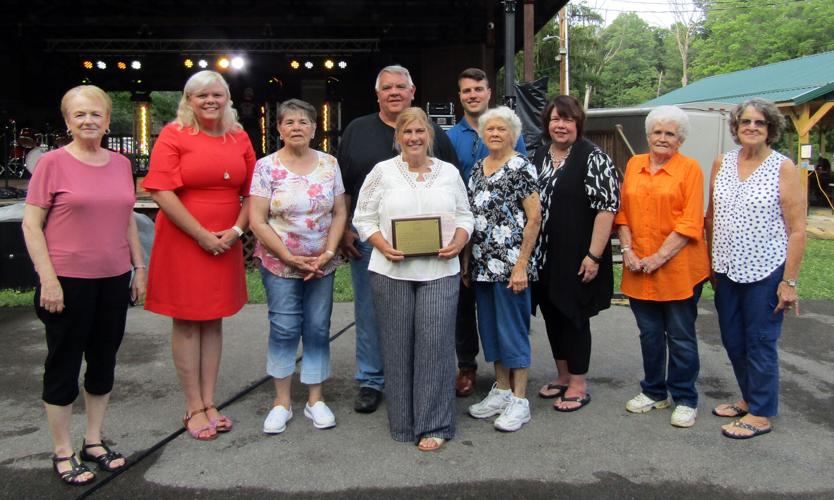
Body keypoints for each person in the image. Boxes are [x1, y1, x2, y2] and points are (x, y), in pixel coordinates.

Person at [22, 85, 146, 485]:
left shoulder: (121, 163)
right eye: (80, 115)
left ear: (108, 120)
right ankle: (62, 450)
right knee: (63, 364)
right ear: (68, 121)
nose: (89, 120)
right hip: (67, 282)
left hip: (112, 279)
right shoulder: (52, 164)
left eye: (96, 114)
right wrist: (48, 280)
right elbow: (31, 225)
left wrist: (138, 267)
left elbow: (127, 218)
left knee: (104, 361)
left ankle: (93, 441)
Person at [338, 65, 459, 414]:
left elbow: (453, 188)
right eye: (387, 87)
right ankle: (371, 380)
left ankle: (415, 380)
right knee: (370, 312)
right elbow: (345, 187)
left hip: (430, 247)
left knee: (425, 317)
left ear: (412, 91)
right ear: (377, 94)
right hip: (372, 240)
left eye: (400, 87)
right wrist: (348, 228)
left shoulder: (434, 132)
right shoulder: (357, 130)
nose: (394, 92)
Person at [143, 70, 256, 440]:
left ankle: (210, 401)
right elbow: (160, 191)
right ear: (188, 101)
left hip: (226, 238)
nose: (210, 101)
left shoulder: (238, 136)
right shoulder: (174, 135)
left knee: (214, 319)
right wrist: (202, 235)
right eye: (201, 95)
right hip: (184, 239)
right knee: (189, 321)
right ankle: (193, 405)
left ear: (227, 99)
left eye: (217, 95)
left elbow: (253, 191)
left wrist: (237, 231)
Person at [353, 107, 473, 450]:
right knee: (397, 344)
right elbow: (363, 218)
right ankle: (404, 421)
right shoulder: (382, 172)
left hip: (440, 269)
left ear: (429, 135)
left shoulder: (449, 173)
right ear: (398, 136)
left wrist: (458, 241)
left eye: (420, 131)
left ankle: (434, 423)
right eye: (408, 132)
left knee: (435, 344)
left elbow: (466, 215)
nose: (414, 138)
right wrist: (382, 245)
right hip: (391, 269)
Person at [706, 98, 806, 439]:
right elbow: (711, 217)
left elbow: (797, 229)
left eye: (759, 123)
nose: (751, 127)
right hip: (725, 269)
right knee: (733, 340)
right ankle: (750, 398)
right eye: (745, 122)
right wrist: (710, 263)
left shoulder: (784, 167)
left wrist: (788, 282)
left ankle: (762, 413)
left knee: (760, 341)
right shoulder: (722, 162)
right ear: (735, 128)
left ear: (770, 129)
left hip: (766, 270)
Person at [249, 99, 347, 434]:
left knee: (318, 328)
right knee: (285, 328)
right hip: (280, 263)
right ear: (278, 128)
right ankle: (282, 402)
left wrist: (329, 251)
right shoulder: (266, 167)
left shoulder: (329, 164)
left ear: (314, 128)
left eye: (303, 122)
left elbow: (339, 213)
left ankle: (315, 400)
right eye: (289, 122)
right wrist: (289, 256)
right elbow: (257, 220)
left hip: (322, 262)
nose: (296, 127)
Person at [615, 105, 709, 428]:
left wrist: (656, 258)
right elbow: (622, 213)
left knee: (680, 336)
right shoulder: (634, 164)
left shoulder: (690, 169)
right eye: (658, 132)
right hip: (638, 267)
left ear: (680, 139)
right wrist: (627, 250)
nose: (663, 138)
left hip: (678, 269)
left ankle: (685, 397)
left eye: (670, 133)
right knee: (650, 334)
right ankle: (654, 391)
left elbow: (689, 222)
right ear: (648, 135)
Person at [531, 95, 620, 412]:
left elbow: (606, 209)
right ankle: (563, 375)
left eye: (567, 119)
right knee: (553, 314)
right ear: (548, 123)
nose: (561, 125)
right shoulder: (540, 156)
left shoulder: (593, 157)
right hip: (544, 257)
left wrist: (594, 256)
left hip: (580, 256)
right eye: (555, 119)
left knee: (574, 316)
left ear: (577, 123)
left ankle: (579, 384)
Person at [445, 67, 528, 397]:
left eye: (478, 89)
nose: (472, 95)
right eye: (466, 91)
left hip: (503, 241)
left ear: (488, 92)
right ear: (460, 96)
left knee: (503, 314)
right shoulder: (450, 137)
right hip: (464, 236)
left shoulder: (510, 131)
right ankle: (467, 366)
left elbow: (523, 188)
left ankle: (509, 383)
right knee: (464, 308)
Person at [465, 106, 541, 432]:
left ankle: (520, 400)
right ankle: (502, 390)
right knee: (491, 331)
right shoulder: (478, 168)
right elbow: (471, 217)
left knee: (513, 331)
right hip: (482, 264)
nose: (495, 134)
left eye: (502, 129)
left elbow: (534, 218)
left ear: (513, 134)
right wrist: (467, 260)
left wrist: (522, 264)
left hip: (512, 267)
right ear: (482, 134)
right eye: (490, 129)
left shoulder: (521, 167)